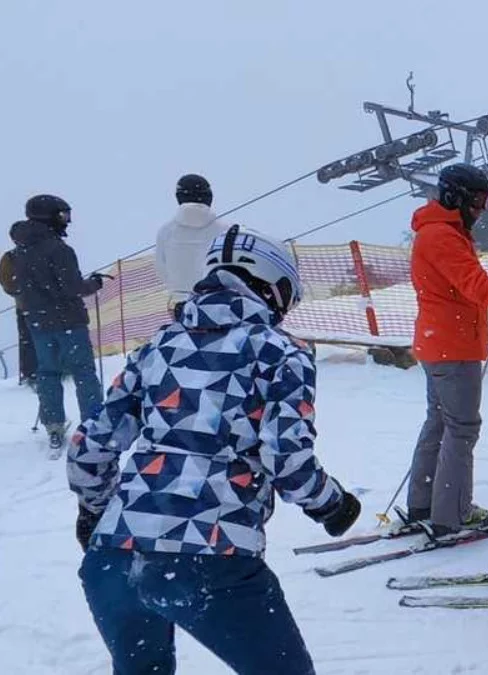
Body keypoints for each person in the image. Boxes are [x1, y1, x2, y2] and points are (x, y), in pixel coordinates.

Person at [68, 224, 361, 675]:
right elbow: (286, 460)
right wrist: (332, 505)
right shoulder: (279, 353)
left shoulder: (156, 348)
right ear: (273, 287)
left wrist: (95, 512)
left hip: (114, 561)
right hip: (211, 558)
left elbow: (91, 446)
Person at [405, 163, 488, 536]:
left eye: (485, 202)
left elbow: (455, 293)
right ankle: (452, 514)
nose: (481, 210)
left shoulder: (440, 232)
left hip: (442, 341)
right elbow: (474, 284)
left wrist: (487, 322)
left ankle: (424, 502)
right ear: (455, 198)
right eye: (477, 202)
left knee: (440, 422)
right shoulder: (442, 236)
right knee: (462, 428)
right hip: (452, 348)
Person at [7, 195, 105, 449]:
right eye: (62, 216)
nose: (67, 222)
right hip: (68, 321)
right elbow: (72, 287)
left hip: (37, 323)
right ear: (48, 217)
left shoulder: (19, 250)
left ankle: (53, 426)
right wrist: (94, 283)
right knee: (83, 372)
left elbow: (16, 285)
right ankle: (93, 423)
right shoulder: (58, 249)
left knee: (48, 373)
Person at [155, 174, 231, 305]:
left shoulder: (166, 231)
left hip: (181, 303)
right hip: (218, 302)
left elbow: (161, 270)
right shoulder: (225, 229)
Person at [0, 244, 37, 387]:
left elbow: (7, 283)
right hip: (47, 306)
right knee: (35, 339)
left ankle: (31, 373)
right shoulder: (45, 250)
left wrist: (21, 293)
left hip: (24, 306)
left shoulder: (10, 257)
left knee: (27, 340)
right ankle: (36, 373)